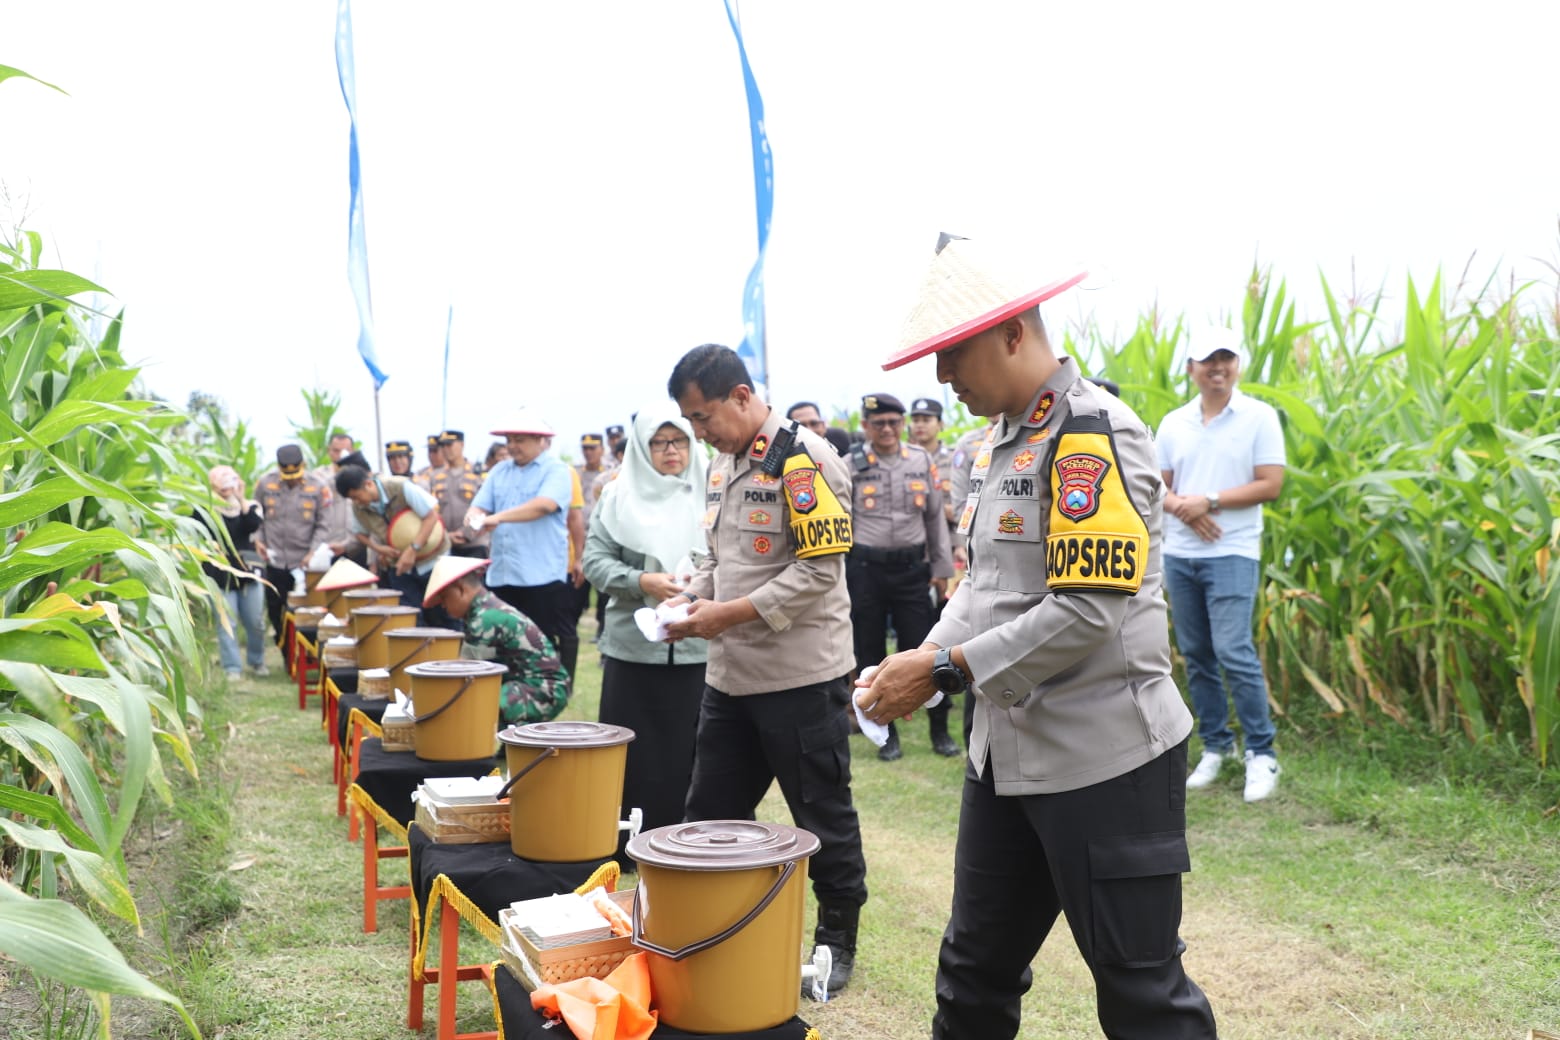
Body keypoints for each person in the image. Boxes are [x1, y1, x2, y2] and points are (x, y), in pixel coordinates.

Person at [856, 237, 1218, 1039]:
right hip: (1005, 756)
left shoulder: (1093, 432)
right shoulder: (998, 443)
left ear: (1014, 333)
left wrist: (946, 671)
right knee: (973, 973)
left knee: (1140, 990)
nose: (942, 377)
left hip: (1105, 756)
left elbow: (1088, 611)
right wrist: (918, 657)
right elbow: (985, 588)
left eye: (952, 353)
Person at [663, 344, 867, 997]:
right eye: (691, 421)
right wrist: (693, 597)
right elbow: (722, 557)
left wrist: (728, 614)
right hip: (731, 677)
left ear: (743, 396)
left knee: (822, 816)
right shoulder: (726, 463)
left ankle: (836, 940)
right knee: (708, 814)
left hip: (800, 677)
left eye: (703, 416)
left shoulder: (804, 461)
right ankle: (705, 929)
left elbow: (818, 571)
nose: (699, 432)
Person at [1156, 326, 1286, 802]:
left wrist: (1207, 501)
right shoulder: (1174, 424)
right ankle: (1216, 746)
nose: (1217, 367)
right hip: (1181, 553)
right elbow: (1159, 488)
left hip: (1233, 551)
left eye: (1226, 358)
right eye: (1207, 359)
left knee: (1234, 650)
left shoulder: (1259, 417)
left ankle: (1262, 752)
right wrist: (1184, 509)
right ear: (1190, 368)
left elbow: (1270, 483)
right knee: (1197, 654)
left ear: (1238, 364)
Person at [582, 407, 709, 862]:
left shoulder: (714, 488)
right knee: (634, 750)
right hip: (634, 647)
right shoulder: (617, 496)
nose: (672, 451)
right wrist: (642, 582)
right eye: (660, 442)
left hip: (700, 646)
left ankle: (691, 844)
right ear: (642, 447)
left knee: (695, 750)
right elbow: (594, 561)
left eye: (680, 441)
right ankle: (629, 845)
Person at [846, 393, 957, 760]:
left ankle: (939, 731)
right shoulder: (851, 464)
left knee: (925, 649)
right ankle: (885, 732)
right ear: (865, 426)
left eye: (895, 422)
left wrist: (942, 570)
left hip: (913, 570)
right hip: (866, 569)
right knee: (870, 650)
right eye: (879, 423)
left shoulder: (921, 460)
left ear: (903, 423)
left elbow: (935, 519)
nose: (888, 429)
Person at [466, 412, 578, 687]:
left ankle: (544, 696)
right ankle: (507, 698)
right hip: (503, 575)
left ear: (541, 440)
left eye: (520, 440)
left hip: (540, 576)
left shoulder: (556, 471)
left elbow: (544, 505)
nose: (513, 445)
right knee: (501, 644)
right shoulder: (499, 471)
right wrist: (475, 516)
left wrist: (496, 518)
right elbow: (479, 505)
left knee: (539, 644)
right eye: (509, 440)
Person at [423, 557, 570, 725]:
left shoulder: (484, 619)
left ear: (460, 589)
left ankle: (516, 744)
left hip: (543, 689)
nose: (443, 606)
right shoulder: (486, 608)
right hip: (534, 685)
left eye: (444, 598)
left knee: (472, 705)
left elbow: (461, 675)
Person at [335, 463, 451, 617]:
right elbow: (359, 534)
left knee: (444, 615)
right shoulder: (359, 507)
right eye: (351, 499)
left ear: (368, 484)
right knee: (410, 617)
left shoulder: (400, 487)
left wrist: (413, 549)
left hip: (433, 561)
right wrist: (379, 549)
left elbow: (431, 517)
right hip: (400, 567)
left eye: (356, 497)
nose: (356, 502)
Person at [253, 444, 331, 640]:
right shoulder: (265, 484)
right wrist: (258, 540)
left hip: (304, 562)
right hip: (275, 559)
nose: (293, 479)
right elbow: (257, 517)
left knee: (304, 611)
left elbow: (324, 525)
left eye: (296, 474)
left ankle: (300, 652)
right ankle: (283, 645)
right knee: (274, 607)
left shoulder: (318, 487)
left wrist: (312, 552)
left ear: (302, 465)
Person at [198, 465, 268, 679]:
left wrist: (241, 497)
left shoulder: (249, 506)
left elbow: (253, 525)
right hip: (219, 572)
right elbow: (199, 530)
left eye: (230, 480)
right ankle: (232, 667)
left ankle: (257, 660)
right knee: (227, 622)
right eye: (221, 480)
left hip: (247, 571)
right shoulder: (206, 509)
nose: (226, 485)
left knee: (255, 621)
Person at [430, 430, 490, 558]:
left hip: (476, 543)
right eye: (443, 446)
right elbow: (433, 512)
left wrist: (467, 533)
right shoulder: (436, 476)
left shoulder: (478, 473)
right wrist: (446, 536)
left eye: (450, 445)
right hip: (448, 544)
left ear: (461, 445)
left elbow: (486, 507)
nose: (446, 450)